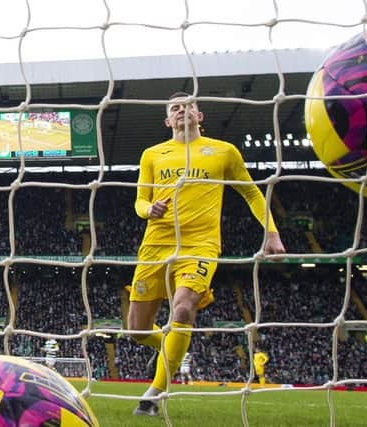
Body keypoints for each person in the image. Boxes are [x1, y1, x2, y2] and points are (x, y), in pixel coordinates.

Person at [128, 92, 285, 417]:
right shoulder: (153, 154)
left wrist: (271, 232)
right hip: (156, 245)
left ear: (199, 116)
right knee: (137, 330)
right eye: (175, 108)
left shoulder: (223, 152)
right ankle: (169, 347)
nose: (182, 111)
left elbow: (251, 192)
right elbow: (139, 200)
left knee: (184, 308)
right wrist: (149, 210)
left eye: (189, 106)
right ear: (167, 120)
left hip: (201, 245)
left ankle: (153, 396)